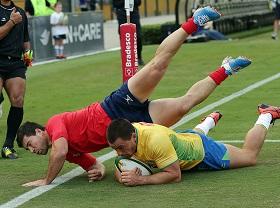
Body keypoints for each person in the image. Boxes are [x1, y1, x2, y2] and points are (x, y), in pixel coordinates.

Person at [17, 7, 248, 187]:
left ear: (39, 132)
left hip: (115, 107)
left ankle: (194, 21)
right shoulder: (71, 152)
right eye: (29, 149)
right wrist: (98, 169)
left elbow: (60, 151)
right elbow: (94, 164)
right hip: (132, 130)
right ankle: (226, 69)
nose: (33, 150)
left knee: (158, 66)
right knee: (186, 104)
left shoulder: (55, 126)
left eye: (30, 144)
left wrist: (47, 180)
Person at [107, 104, 280, 186]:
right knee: (187, 139)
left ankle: (266, 115)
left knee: (249, 156)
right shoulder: (126, 138)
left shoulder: (155, 141)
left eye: (121, 148)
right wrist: (124, 176)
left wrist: (142, 180)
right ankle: (209, 121)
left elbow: (174, 175)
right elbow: (119, 167)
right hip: (182, 140)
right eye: (115, 149)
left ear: (133, 136)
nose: (119, 153)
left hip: (202, 153)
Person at [0, 0, 32, 159]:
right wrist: (12, 22)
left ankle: (8, 145)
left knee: (18, 100)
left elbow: (26, 40)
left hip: (15, 63)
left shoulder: (20, 12)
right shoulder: (13, 16)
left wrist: (28, 55)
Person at [112, 0, 144, 65]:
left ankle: (138, 57)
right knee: (123, 36)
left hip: (133, 11)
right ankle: (126, 59)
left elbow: (139, 2)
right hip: (121, 12)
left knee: (138, 35)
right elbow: (115, 3)